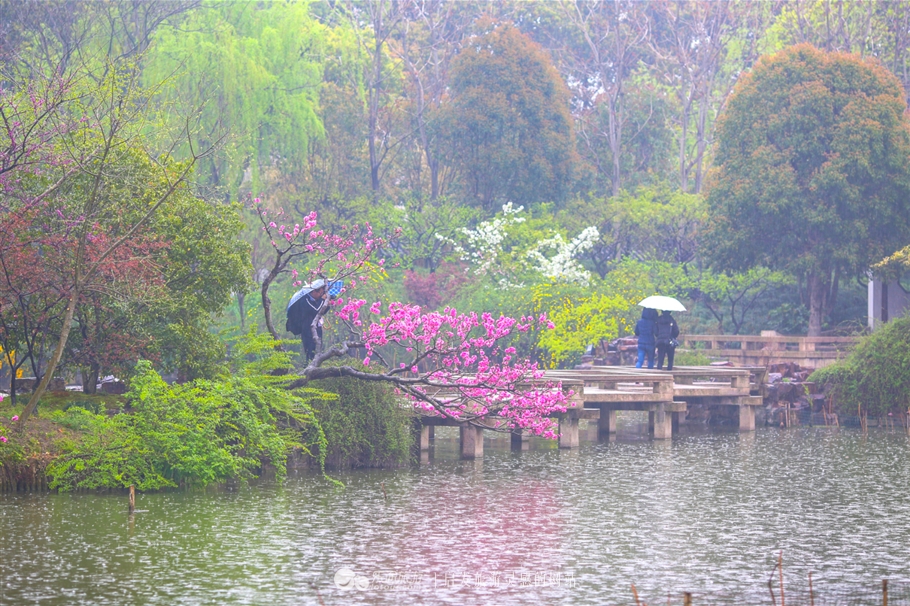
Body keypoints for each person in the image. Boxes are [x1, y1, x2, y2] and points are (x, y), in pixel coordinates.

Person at [287, 281, 328, 362]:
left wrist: (327, 304)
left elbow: (321, 311)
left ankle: (317, 367)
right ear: (313, 291)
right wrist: (323, 300)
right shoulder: (305, 300)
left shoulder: (316, 299)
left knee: (319, 350)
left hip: (317, 328)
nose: (321, 294)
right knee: (310, 351)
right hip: (308, 330)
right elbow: (315, 309)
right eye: (320, 292)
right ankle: (309, 367)